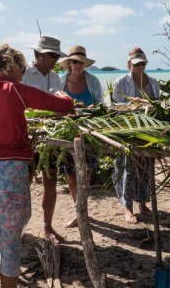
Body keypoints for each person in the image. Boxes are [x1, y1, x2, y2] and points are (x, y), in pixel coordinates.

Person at [0, 43, 74, 288]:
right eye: (21, 69)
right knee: (9, 246)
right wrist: (63, 95)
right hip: (12, 178)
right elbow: (65, 106)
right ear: (13, 67)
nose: (22, 74)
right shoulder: (18, 90)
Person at [22, 36, 67, 241]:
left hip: (50, 136)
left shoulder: (57, 78)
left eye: (57, 55)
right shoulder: (23, 75)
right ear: (39, 55)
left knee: (50, 183)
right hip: (26, 137)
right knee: (25, 184)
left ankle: (48, 227)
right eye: (52, 55)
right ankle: (19, 228)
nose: (56, 59)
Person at [111, 47, 160, 224]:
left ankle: (143, 203)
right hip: (128, 131)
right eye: (136, 64)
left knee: (146, 168)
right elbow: (115, 108)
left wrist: (148, 104)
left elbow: (158, 105)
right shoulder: (121, 82)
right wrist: (133, 106)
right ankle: (127, 208)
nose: (139, 67)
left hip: (149, 131)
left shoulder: (153, 82)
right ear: (129, 64)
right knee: (127, 169)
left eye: (142, 64)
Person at [58, 45, 103, 228]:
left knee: (87, 174)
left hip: (89, 132)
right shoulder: (61, 81)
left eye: (81, 62)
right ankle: (79, 213)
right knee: (71, 176)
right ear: (69, 63)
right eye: (75, 61)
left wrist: (90, 110)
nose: (78, 65)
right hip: (67, 133)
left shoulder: (92, 81)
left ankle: (84, 211)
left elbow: (101, 105)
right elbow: (55, 103)